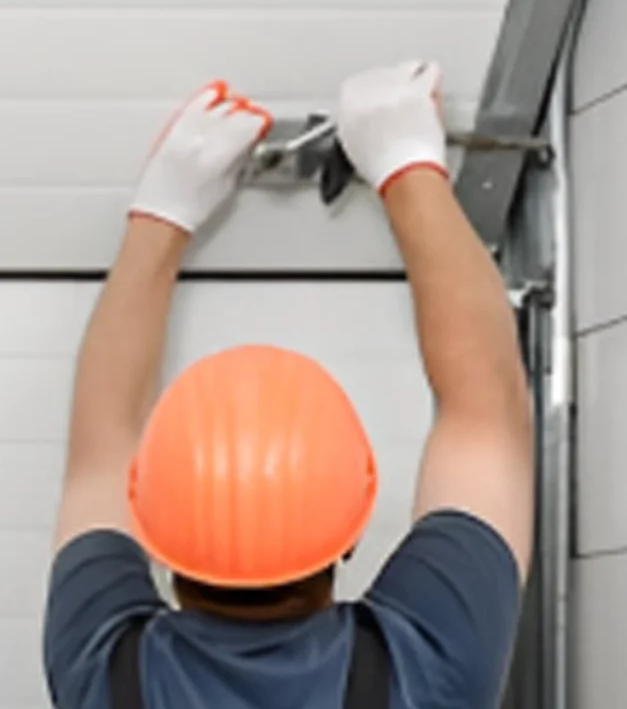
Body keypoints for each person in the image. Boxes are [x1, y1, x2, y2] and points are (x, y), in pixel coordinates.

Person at [43, 61, 535, 708]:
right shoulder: (429, 666)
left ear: (145, 511)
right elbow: (486, 411)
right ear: (355, 522)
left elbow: (100, 452)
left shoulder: (106, 672)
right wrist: (406, 165)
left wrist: (164, 208)